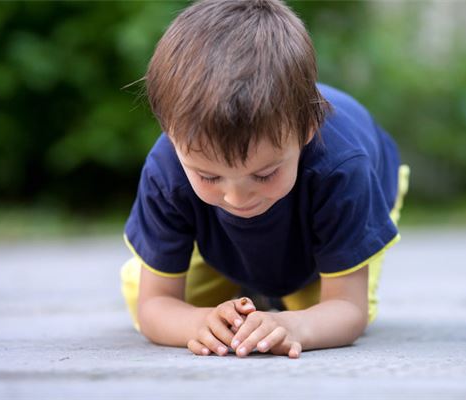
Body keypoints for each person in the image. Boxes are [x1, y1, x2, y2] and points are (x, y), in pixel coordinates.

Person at [120, 0, 409, 359]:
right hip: (233, 231)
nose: (238, 197)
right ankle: (251, 292)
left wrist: (294, 325)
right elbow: (155, 305)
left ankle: (268, 295)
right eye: (208, 176)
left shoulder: (343, 168)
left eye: (264, 173)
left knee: (309, 304)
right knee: (139, 293)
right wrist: (200, 323)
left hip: (361, 185)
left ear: (306, 129)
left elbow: (348, 310)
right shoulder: (167, 168)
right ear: (171, 135)